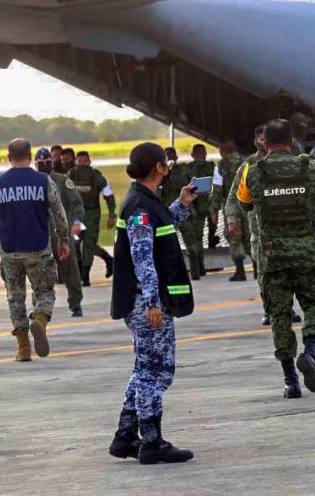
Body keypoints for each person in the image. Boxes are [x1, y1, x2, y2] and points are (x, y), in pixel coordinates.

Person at [236, 119, 315, 398]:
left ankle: (290, 382)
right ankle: (309, 351)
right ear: (292, 140)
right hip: (307, 254)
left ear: (265, 142)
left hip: (272, 259)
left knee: (279, 317)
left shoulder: (252, 171)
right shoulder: (311, 168)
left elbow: (244, 204)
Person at [108, 142, 196, 464]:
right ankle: (152, 441)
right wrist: (153, 302)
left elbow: (158, 231)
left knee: (144, 368)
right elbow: (142, 256)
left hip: (140, 300)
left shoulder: (144, 201)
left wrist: (181, 205)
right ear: (159, 167)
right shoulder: (140, 205)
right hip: (145, 303)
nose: (169, 166)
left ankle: (125, 436)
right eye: (166, 162)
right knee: (157, 372)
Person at [0, 138, 70, 361]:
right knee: (44, 291)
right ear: (31, 157)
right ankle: (40, 321)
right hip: (38, 249)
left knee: (15, 298)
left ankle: (23, 348)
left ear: (8, 157)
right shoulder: (43, 181)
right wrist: (63, 239)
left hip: (10, 250)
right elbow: (59, 212)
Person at [35, 148, 86, 317]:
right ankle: (41, 307)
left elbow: (77, 202)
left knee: (70, 269)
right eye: (40, 163)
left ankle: (75, 303)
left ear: (52, 162)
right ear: (35, 164)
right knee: (39, 272)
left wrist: (77, 223)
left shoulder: (63, 181)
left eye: (47, 162)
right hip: (40, 234)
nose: (44, 166)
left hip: (61, 233)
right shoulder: (32, 184)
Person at [69, 150, 117, 286]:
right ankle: (106, 259)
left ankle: (85, 276)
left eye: (85, 161)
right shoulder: (71, 175)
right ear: (76, 162)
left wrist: (112, 214)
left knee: (89, 245)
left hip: (91, 214)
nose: (82, 164)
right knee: (75, 243)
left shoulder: (96, 176)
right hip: (76, 216)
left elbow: (108, 194)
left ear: (89, 162)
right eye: (80, 161)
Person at [178, 144, 215, 281]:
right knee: (205, 233)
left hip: (195, 205)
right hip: (210, 205)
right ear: (205, 153)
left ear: (192, 155)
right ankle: (211, 240)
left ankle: (199, 267)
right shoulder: (212, 166)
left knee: (196, 237)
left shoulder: (187, 168)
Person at [213, 139, 247, 281]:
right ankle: (258, 270)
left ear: (222, 151)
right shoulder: (247, 162)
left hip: (231, 205)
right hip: (248, 204)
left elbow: (217, 189)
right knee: (251, 236)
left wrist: (214, 209)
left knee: (234, 237)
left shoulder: (221, 165)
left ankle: (240, 271)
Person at [160, 148, 194, 277]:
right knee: (190, 242)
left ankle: (194, 270)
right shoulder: (184, 171)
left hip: (173, 210)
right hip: (181, 208)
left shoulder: (162, 175)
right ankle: (196, 270)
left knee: (177, 242)